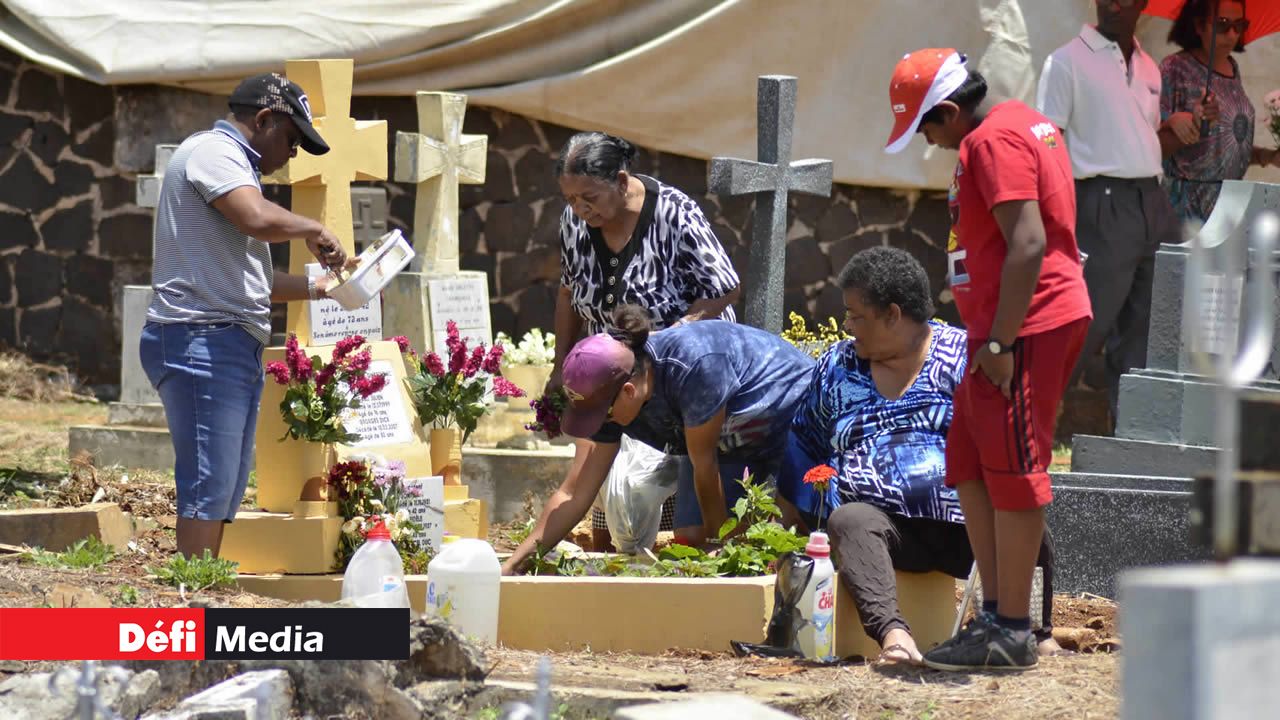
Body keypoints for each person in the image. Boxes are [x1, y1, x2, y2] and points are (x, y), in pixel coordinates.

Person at [884, 49, 1091, 670]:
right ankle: (995, 618)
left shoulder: (991, 142)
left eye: (927, 126)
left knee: (1016, 469)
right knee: (970, 457)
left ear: (950, 110)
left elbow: (1028, 241)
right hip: (998, 328)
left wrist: (1001, 342)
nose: (930, 140)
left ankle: (1012, 627)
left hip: (1025, 327)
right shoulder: (1021, 123)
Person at [779, 247, 1059, 666]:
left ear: (893, 314)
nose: (848, 326)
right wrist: (790, 519)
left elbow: (1006, 438)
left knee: (1026, 528)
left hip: (967, 526)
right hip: (884, 531)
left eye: (857, 316)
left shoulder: (963, 355)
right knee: (849, 521)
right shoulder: (838, 364)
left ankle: (1034, 634)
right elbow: (803, 440)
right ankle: (894, 636)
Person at [141, 73, 352, 559]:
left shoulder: (236, 173)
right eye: (293, 139)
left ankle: (202, 581)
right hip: (200, 338)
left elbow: (249, 280)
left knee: (226, 480)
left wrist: (323, 289)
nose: (293, 154)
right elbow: (256, 218)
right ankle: (193, 594)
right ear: (263, 119)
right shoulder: (214, 152)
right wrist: (313, 228)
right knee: (208, 478)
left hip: (223, 339)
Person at [502, 306, 814, 574]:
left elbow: (706, 468)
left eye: (603, 415)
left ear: (628, 391)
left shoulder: (693, 365)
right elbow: (573, 494)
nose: (601, 424)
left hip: (789, 413)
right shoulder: (611, 397)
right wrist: (516, 562)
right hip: (730, 437)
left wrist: (723, 549)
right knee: (692, 537)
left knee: (789, 532)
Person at [548, 132, 742, 548]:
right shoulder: (575, 223)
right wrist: (558, 364)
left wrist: (675, 335)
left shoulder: (674, 213)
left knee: (665, 526)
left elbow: (724, 287)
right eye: (570, 200)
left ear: (620, 180)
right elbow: (568, 291)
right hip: (612, 375)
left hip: (677, 380)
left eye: (589, 198)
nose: (580, 210)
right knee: (605, 515)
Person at [1037, 0, 1179, 423]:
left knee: (1147, 328)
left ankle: (1132, 433)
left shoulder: (1150, 69)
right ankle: (1034, 419)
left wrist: (1183, 128)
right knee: (1085, 321)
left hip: (1153, 201)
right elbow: (1047, 141)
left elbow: (1141, 140)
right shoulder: (1065, 61)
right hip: (1100, 202)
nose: (1115, 4)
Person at [1161, 0, 1280, 223]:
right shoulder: (1174, 68)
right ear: (1198, 26)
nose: (1232, 33)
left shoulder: (1233, 69)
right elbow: (1151, 144)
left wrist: (1268, 156)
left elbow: (1226, 144)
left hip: (1228, 204)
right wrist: (1187, 124)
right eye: (1222, 24)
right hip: (1187, 206)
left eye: (1240, 25)